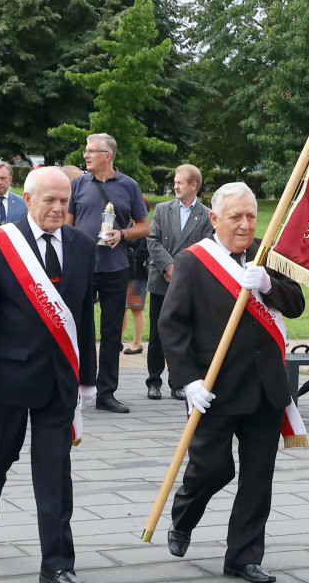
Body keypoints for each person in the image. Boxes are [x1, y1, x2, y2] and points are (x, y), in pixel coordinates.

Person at [159, 182, 305, 583]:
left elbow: (296, 304)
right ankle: (184, 517)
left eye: (251, 216)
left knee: (258, 478)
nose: (245, 224)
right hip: (215, 388)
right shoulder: (193, 262)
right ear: (214, 218)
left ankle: (243, 556)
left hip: (266, 387)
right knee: (211, 468)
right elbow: (172, 325)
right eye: (235, 216)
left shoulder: (266, 254)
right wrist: (188, 381)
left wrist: (269, 285)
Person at [0, 167, 97, 583]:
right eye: (49, 200)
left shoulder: (80, 244)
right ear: (28, 199)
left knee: (55, 471)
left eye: (64, 201)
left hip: (59, 380)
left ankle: (57, 563)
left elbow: (82, 317)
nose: (58, 208)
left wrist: (88, 377)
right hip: (8, 378)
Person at [65, 133, 149, 414]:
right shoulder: (78, 184)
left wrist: (122, 234)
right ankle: (78, 387)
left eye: (91, 151)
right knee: (79, 328)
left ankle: (106, 393)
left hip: (115, 268)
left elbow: (144, 226)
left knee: (112, 332)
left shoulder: (129, 185)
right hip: (82, 268)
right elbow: (68, 226)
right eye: (86, 151)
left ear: (108, 156)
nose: (86, 155)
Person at [144, 164, 213, 400]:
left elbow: (205, 247)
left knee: (184, 332)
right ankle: (154, 381)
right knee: (157, 332)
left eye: (180, 182)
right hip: (161, 281)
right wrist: (168, 266)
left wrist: (180, 271)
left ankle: (178, 382)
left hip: (188, 283)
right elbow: (152, 240)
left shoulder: (206, 215)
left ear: (194, 185)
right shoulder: (163, 209)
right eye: (174, 182)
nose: (175, 186)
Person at [121, 212, 148, 357]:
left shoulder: (145, 229)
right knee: (122, 308)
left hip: (138, 274)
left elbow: (143, 251)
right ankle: (117, 340)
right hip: (124, 273)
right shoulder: (127, 226)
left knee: (136, 308)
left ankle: (137, 343)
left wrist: (130, 258)